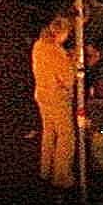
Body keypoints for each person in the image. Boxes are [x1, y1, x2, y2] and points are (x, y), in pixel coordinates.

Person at [31, 12, 79, 190]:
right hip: (56, 98)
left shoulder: (39, 45)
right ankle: (61, 176)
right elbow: (67, 79)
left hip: (41, 95)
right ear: (62, 33)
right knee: (66, 137)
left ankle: (45, 171)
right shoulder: (56, 52)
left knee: (49, 133)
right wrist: (73, 61)